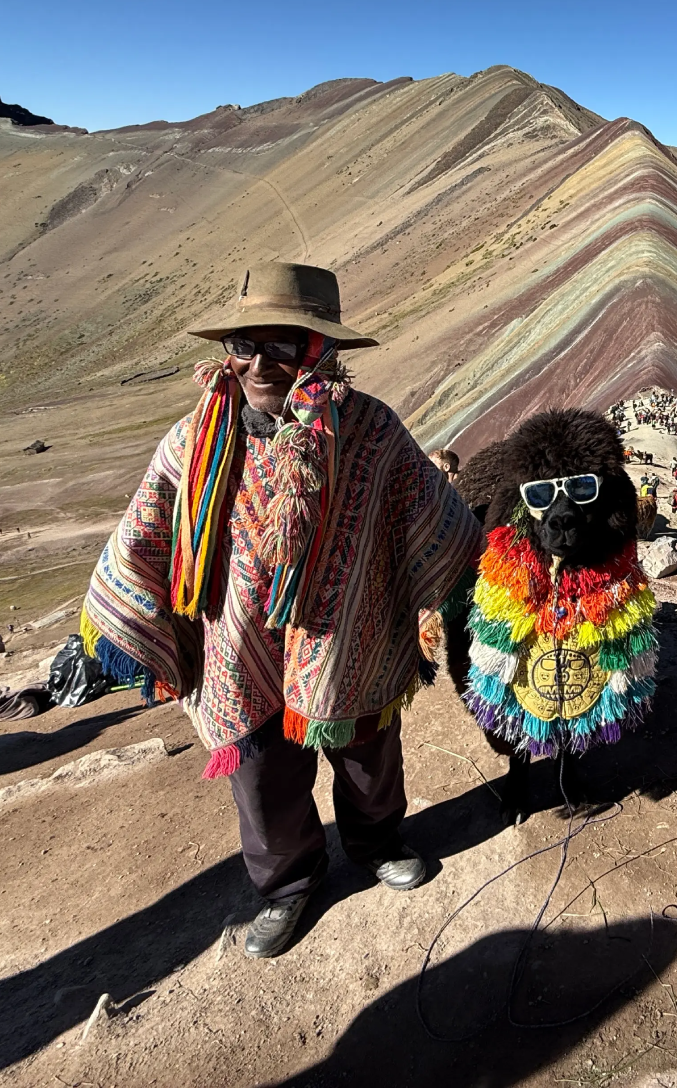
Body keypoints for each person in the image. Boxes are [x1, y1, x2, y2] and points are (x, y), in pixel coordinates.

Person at [81, 262, 482, 959]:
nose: (262, 363)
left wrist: (490, 566)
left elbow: (431, 515)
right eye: (245, 344)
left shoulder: (369, 430)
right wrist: (124, 609)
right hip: (236, 649)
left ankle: (377, 841)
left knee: (367, 757)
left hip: (351, 636)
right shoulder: (194, 441)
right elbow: (144, 532)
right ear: (226, 350)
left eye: (285, 345)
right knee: (261, 778)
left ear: (319, 349)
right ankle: (289, 885)